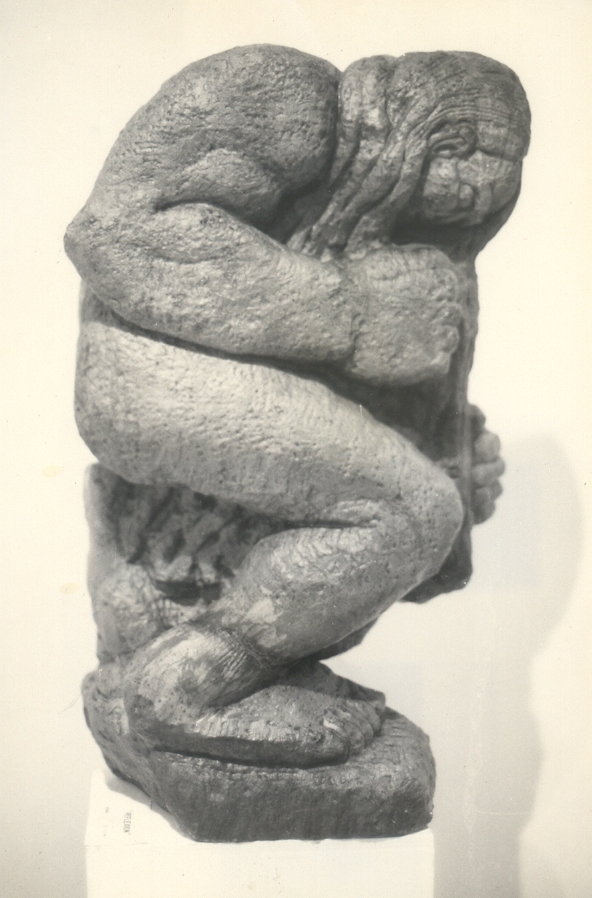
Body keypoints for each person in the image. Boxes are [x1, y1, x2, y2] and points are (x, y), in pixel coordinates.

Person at [66, 46, 529, 764]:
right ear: (423, 123)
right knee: (410, 513)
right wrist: (351, 312)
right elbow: (114, 233)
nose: (477, 189)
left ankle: (227, 659)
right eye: (467, 152)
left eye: (499, 172)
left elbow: (386, 358)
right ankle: (184, 693)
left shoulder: (402, 217)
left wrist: (452, 452)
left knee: (422, 508)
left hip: (214, 381)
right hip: (146, 369)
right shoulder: (281, 98)